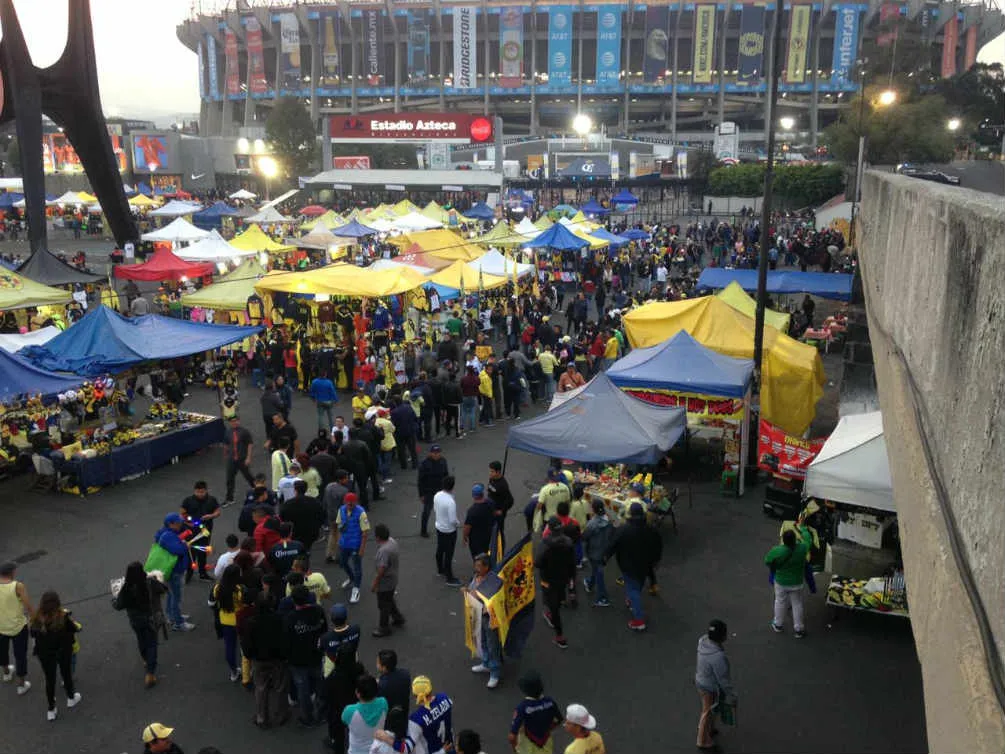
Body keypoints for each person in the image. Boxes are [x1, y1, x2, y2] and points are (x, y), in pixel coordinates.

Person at [605, 502, 662, 631]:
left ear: (630, 513)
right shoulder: (651, 529)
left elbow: (613, 545)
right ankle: (632, 601)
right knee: (638, 584)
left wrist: (605, 557)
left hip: (628, 564)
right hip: (646, 564)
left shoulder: (623, 529)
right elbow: (658, 545)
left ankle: (639, 620)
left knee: (633, 589)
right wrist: (656, 560)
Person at [112, 561, 167, 688]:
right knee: (152, 643)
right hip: (150, 618)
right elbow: (163, 589)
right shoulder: (149, 583)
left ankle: (145, 659)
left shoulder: (126, 589)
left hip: (135, 620)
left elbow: (118, 605)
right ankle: (150, 672)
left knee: (141, 639)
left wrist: (114, 598)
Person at [29, 591, 81, 721]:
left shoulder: (36, 618)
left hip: (45, 654)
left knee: (49, 679)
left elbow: (33, 634)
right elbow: (74, 628)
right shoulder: (62, 617)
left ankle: (51, 708)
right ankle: (71, 697)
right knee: (66, 674)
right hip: (63, 651)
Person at [242, 592, 290, 729]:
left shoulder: (251, 622)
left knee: (261, 688)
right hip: (277, 659)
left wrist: (250, 656)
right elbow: (285, 638)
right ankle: (281, 714)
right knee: (280, 686)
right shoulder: (279, 619)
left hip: (259, 660)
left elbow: (246, 644)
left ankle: (262, 718)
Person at [282, 585, 328, 727]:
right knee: (319, 684)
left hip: (297, 661)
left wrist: (287, 658)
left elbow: (286, 641)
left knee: (303, 690)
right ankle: (321, 714)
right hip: (316, 656)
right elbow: (324, 631)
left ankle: (308, 718)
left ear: (293, 601)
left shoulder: (290, 618)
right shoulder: (318, 611)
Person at [374, 675, 454, 754]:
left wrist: (385, 737)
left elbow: (406, 749)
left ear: (417, 696)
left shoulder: (416, 720)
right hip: (450, 747)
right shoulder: (444, 698)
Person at [534, 518, 576, 649]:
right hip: (563, 576)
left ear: (550, 529)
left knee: (551, 602)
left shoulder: (545, 544)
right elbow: (572, 562)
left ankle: (560, 636)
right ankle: (560, 601)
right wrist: (571, 579)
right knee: (559, 592)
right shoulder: (568, 542)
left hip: (548, 578)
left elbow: (538, 563)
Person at [695, 618, 736, 750]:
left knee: (710, 709)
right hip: (709, 686)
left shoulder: (702, 642)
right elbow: (723, 679)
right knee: (707, 712)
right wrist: (731, 694)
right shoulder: (718, 657)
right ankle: (702, 740)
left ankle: (709, 729)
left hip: (700, 680)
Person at [765, 528, 810, 638]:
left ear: (783, 540)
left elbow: (767, 561)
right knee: (797, 604)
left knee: (780, 601)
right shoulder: (802, 548)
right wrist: (803, 529)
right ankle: (799, 629)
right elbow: (808, 539)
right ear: (795, 539)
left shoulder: (777, 550)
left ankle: (778, 624)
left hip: (781, 582)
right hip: (797, 583)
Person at [466, 554, 503, 689]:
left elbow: (496, 600)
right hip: (478, 614)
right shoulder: (476, 577)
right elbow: (472, 590)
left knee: (493, 645)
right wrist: (467, 592)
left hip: (489, 618)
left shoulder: (494, 580)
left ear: (487, 567)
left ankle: (494, 672)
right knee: (483, 641)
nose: (476, 568)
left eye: (479, 566)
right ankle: (486, 663)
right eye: (475, 565)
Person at [154, 513, 195, 632]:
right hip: (175, 571)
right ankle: (178, 623)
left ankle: (171, 616)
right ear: (171, 524)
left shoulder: (166, 533)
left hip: (172, 570)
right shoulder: (168, 536)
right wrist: (185, 546)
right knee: (176, 597)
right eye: (178, 523)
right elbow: (177, 550)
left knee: (171, 595)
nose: (180, 524)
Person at [508, 669, 563, 754]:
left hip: (527, 745)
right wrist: (548, 729)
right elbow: (559, 719)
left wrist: (515, 748)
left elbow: (512, 737)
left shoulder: (522, 707)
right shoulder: (550, 702)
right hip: (545, 742)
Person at [0, 561, 33, 696]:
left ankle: (6, 673)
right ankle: (21, 685)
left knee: (2, 650)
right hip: (18, 627)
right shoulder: (17, 586)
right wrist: (34, 618)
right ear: (11, 572)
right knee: (20, 655)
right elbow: (27, 605)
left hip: (1, 627)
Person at [208, 564, 245, 681]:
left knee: (230, 647)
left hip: (225, 621)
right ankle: (247, 670)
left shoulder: (217, 588)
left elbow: (211, 603)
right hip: (240, 620)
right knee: (244, 646)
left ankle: (233, 672)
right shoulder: (239, 589)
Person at [180, 481, 221, 581]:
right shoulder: (188, 500)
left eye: (202, 492)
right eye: (197, 492)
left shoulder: (212, 500)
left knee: (203, 552)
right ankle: (189, 573)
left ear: (206, 490)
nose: (200, 494)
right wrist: (189, 522)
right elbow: (182, 513)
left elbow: (217, 511)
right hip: (190, 532)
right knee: (191, 553)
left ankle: (203, 573)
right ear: (194, 491)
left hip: (205, 532)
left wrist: (210, 516)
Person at [371, 524, 405, 638]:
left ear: (378, 537)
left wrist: (375, 584)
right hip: (393, 579)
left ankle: (384, 628)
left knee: (383, 605)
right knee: (389, 600)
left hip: (385, 583)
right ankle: (398, 618)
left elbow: (381, 570)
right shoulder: (392, 542)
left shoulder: (384, 551)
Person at [337, 492, 371, 604]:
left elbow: (365, 532)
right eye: (348, 503)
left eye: (352, 504)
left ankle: (356, 589)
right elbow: (339, 525)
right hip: (344, 544)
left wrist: (362, 549)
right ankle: (352, 578)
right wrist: (339, 541)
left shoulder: (361, 513)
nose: (349, 505)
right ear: (345, 502)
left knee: (357, 567)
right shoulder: (341, 510)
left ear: (356, 502)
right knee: (342, 563)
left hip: (356, 545)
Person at [342, 674, 388, 754]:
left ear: (358, 693)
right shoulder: (383, 703)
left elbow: (344, 720)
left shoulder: (349, 711)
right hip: (378, 749)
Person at [581, 500, 614, 608]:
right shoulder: (609, 519)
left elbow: (585, 537)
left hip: (594, 551)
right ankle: (590, 584)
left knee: (598, 572)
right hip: (605, 551)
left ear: (593, 509)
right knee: (597, 569)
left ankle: (602, 597)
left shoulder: (592, 523)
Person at [280, 479, 325, 551]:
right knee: (307, 550)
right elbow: (322, 516)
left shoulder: (288, 504)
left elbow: (282, 518)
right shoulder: (315, 502)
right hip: (311, 532)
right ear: (306, 489)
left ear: (295, 490)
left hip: (294, 533)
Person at [434, 475, 462, 587]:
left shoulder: (437, 495)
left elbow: (435, 509)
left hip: (439, 527)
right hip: (449, 531)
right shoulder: (451, 502)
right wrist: (458, 523)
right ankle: (449, 577)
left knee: (440, 549)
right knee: (449, 554)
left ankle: (440, 569)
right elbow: (452, 520)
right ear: (452, 487)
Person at [417, 444, 449, 539]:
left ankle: (443, 528)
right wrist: (421, 495)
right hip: (429, 492)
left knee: (442, 510)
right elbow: (420, 480)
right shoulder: (425, 464)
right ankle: (423, 531)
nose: (436, 455)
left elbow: (446, 475)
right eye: (434, 453)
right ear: (430, 453)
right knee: (426, 512)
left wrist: (447, 489)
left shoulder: (443, 461)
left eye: (438, 453)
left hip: (441, 490)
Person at [223, 415, 254, 506]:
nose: (235, 422)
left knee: (248, 476)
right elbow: (226, 443)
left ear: (239, 421)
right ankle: (229, 499)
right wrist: (226, 454)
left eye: (236, 421)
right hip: (232, 460)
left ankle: (258, 492)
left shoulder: (244, 432)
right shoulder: (227, 432)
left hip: (242, 459)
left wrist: (248, 457)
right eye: (232, 421)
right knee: (229, 479)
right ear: (230, 423)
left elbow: (250, 444)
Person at [324, 470, 351, 564]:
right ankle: (339, 556)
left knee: (332, 534)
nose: (347, 479)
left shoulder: (328, 486)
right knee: (341, 536)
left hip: (330, 514)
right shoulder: (344, 491)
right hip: (340, 516)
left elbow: (325, 501)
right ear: (341, 479)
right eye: (346, 478)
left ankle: (329, 554)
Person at [487, 461, 514, 553]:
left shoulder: (503, 485)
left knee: (498, 532)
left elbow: (510, 500)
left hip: (498, 514)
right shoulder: (492, 479)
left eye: (492, 471)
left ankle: (501, 551)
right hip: (491, 510)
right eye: (490, 471)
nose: (490, 473)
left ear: (498, 472)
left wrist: (501, 511)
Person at [463, 484, 496, 561]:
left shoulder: (472, 511)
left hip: (476, 541)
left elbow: (467, 527)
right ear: (482, 494)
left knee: (478, 558)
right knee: (487, 554)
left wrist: (465, 537)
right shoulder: (490, 502)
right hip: (489, 536)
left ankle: (480, 571)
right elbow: (494, 513)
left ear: (473, 496)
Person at [376, 649, 411, 718]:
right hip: (404, 711)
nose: (376, 665)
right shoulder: (405, 674)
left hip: (390, 716)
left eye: (378, 663)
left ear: (384, 667)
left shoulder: (382, 686)